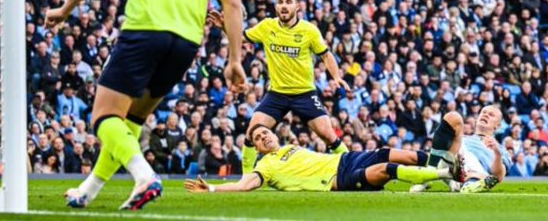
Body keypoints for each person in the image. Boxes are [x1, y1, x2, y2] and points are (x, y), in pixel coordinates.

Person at [45, 0, 247, 210]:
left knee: (103, 117)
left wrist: (64, 9)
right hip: (185, 43)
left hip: (144, 31)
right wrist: (234, 59)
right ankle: (88, 191)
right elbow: (233, 3)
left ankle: (144, 176)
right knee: (132, 121)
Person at [208, 0, 350, 176]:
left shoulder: (309, 30)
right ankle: (247, 178)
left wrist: (337, 76)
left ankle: (351, 167)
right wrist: (224, 26)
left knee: (328, 134)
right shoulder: (267, 26)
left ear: (298, 6)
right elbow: (242, 37)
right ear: (276, 6)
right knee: (252, 131)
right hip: (277, 93)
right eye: (280, 2)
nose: (284, 6)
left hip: (304, 93)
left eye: (288, 2)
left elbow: (326, 55)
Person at [184, 125, 459, 193]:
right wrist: (211, 188)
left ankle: (444, 162)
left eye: (266, 132)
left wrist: (345, 151)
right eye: (258, 138)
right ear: (255, 147)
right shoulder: (264, 166)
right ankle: (446, 174)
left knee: (394, 152)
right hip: (337, 180)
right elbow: (245, 185)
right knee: (387, 168)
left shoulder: (290, 145)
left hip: (345, 160)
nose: (265, 137)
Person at [410, 105, 511, 193]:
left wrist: (497, 153)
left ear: (497, 126)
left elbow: (498, 177)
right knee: (454, 117)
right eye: (483, 112)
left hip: (475, 174)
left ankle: (464, 184)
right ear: (477, 118)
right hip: (450, 165)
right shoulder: (460, 138)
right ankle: (429, 175)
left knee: (468, 158)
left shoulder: (501, 150)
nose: (485, 115)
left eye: (491, 115)